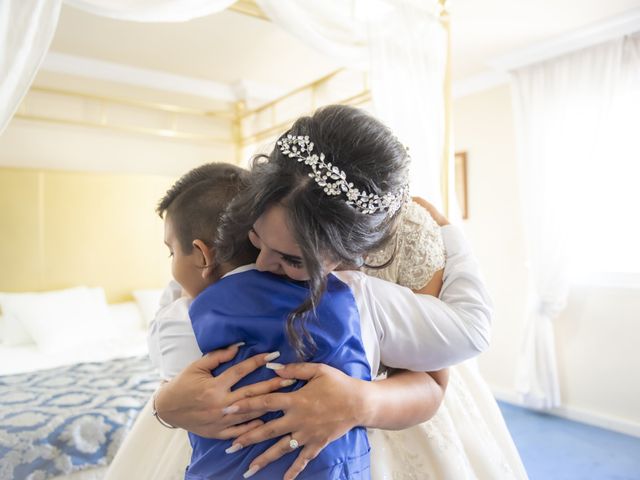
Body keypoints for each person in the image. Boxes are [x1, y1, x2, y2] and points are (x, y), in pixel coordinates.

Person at [147, 105, 503, 479]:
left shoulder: (369, 287)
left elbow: (451, 355)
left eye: (293, 260)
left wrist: (359, 401)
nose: (263, 263)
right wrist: (166, 403)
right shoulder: (266, 206)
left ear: (353, 256)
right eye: (255, 238)